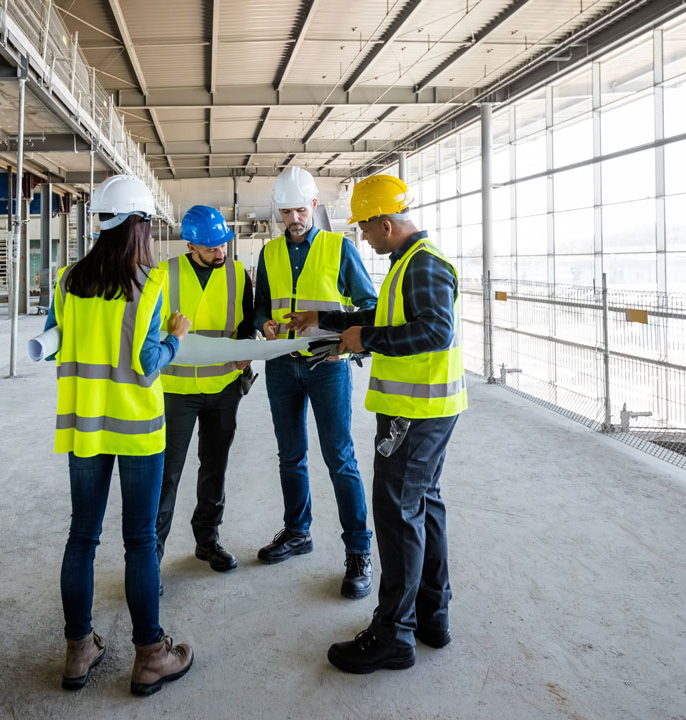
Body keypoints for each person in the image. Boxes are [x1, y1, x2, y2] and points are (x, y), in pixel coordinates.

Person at [287, 174, 467, 673]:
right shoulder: (408, 263)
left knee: (396, 518)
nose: (363, 238)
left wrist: (361, 342)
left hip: (415, 413)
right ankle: (431, 616)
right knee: (424, 509)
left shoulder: (424, 266)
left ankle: (393, 635)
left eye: (366, 230)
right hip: (424, 410)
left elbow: (433, 330)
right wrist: (325, 321)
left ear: (386, 223)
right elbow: (380, 313)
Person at [46, 174, 195, 696]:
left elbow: (54, 340)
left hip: (85, 425)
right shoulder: (149, 285)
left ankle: (77, 650)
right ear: (140, 225)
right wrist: (175, 338)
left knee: (81, 537)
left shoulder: (67, 281)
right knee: (140, 542)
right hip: (135, 428)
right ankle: (152, 656)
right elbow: (146, 362)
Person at [254, 166, 378, 599]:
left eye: (300, 209)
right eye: (285, 212)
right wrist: (264, 323)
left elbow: (370, 306)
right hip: (280, 365)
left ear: (314, 206)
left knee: (340, 458)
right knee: (291, 456)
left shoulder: (339, 248)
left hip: (328, 365)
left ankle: (359, 552)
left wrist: (349, 344)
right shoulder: (268, 254)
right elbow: (259, 307)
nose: (293, 219)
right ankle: (297, 532)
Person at [155, 205, 254, 577]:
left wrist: (246, 350)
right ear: (190, 245)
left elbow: (245, 323)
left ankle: (207, 540)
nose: (220, 252)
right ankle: (152, 555)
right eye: (211, 248)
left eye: (223, 245)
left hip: (224, 387)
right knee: (167, 473)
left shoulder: (237, 273)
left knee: (215, 467)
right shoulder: (164, 274)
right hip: (175, 389)